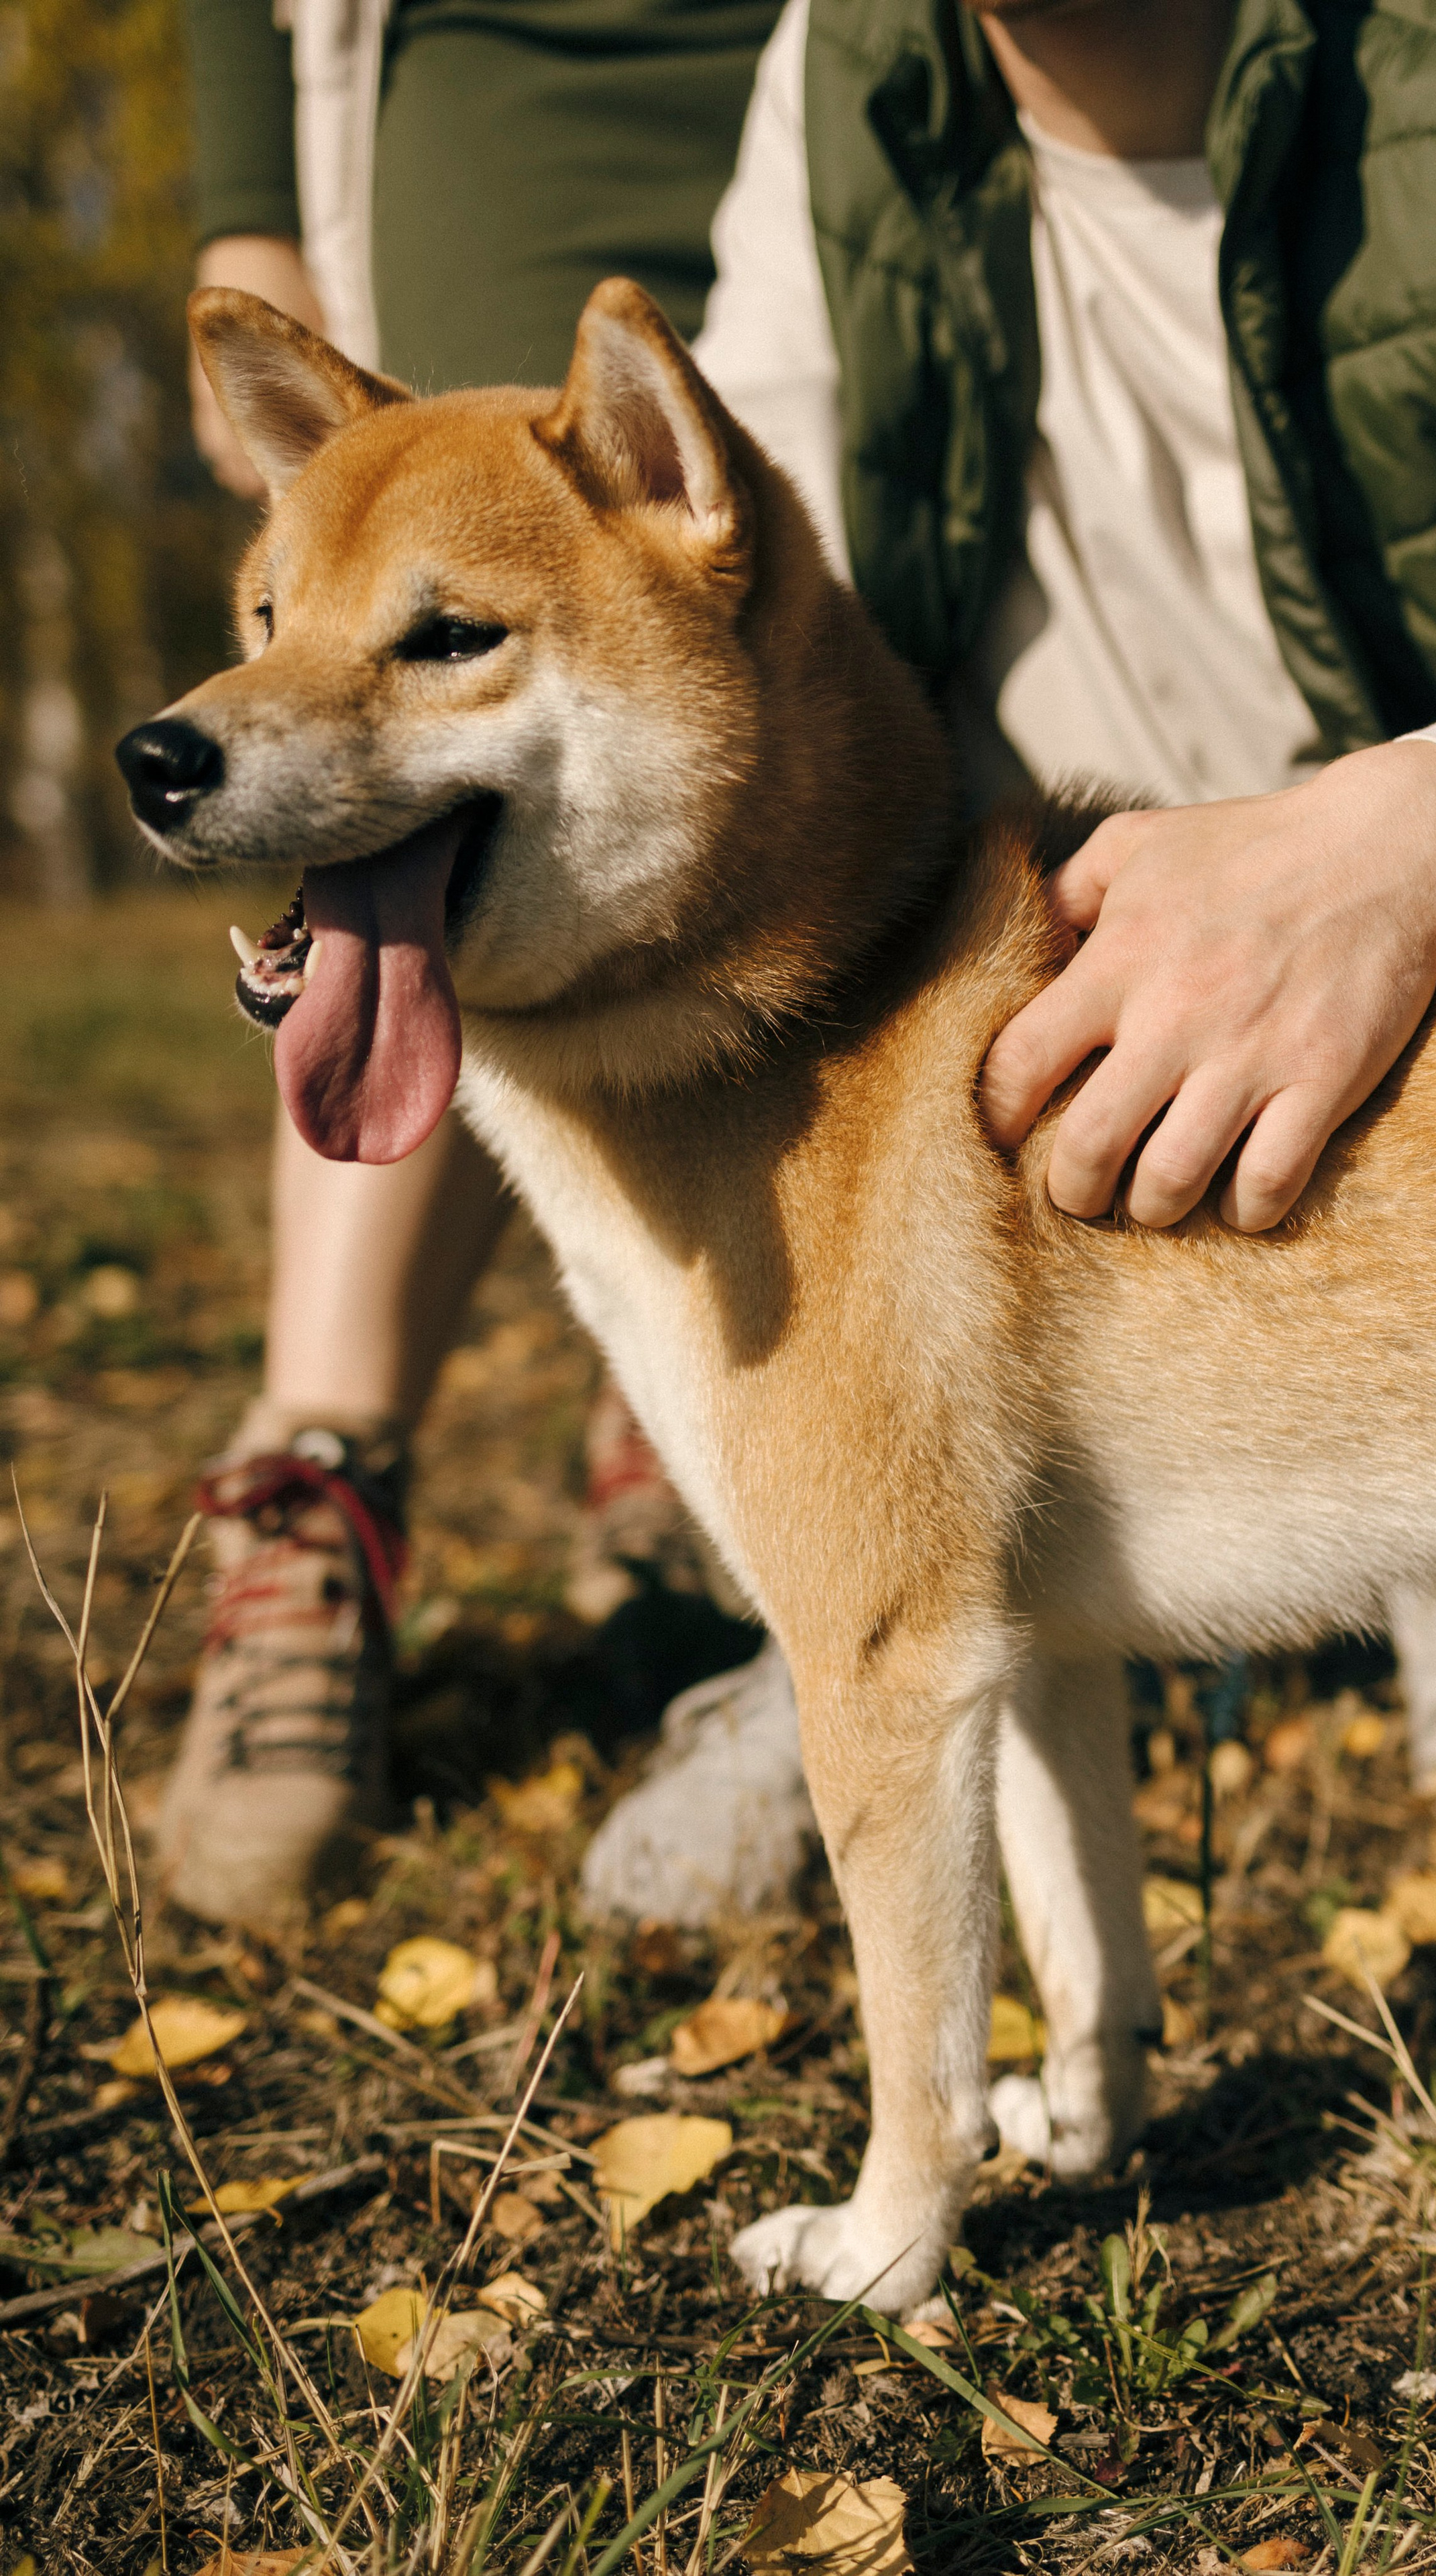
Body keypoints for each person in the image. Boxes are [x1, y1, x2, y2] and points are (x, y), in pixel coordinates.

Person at [583, 0, 1436, 1884]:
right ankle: (859, 1618)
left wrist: (1421, 835)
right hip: (1050, 1020)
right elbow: (758, 632)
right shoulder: (850, 70)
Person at [160, 0, 795, 1926]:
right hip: (517, 56)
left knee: (844, 725)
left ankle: (747, 1391)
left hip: (877, 54)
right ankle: (325, 1472)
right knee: (417, 726)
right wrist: (246, 186)